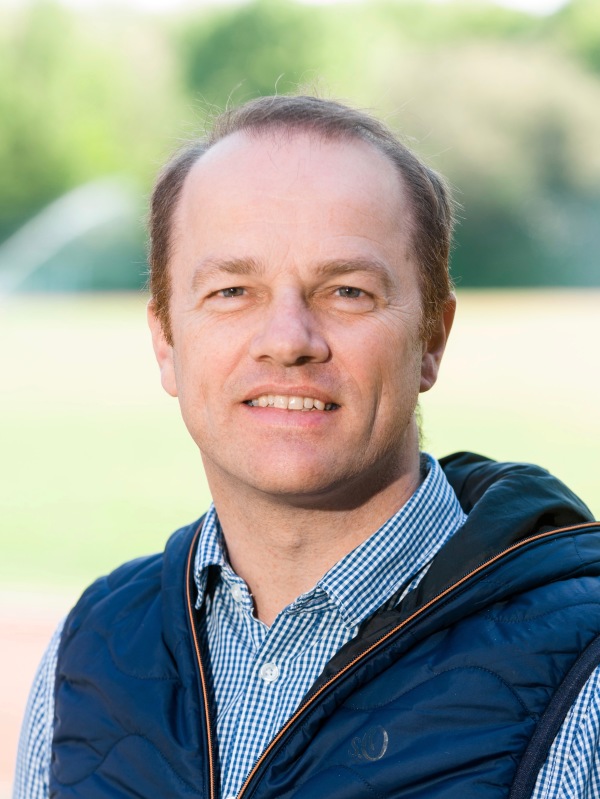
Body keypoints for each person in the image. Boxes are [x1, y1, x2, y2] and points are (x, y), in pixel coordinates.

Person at [14, 95, 600, 799]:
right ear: (166, 341)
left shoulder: (584, 677)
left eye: (347, 291)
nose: (288, 340)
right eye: (233, 291)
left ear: (432, 339)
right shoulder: (85, 654)